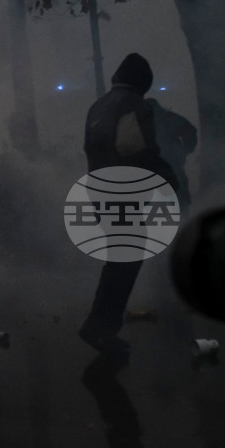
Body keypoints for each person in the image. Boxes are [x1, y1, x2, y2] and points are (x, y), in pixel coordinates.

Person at [79, 53, 179, 363]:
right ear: (141, 82)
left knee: (120, 259)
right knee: (125, 260)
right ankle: (100, 327)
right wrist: (167, 177)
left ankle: (101, 326)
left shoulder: (98, 106)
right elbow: (136, 149)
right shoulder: (134, 105)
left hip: (100, 190)